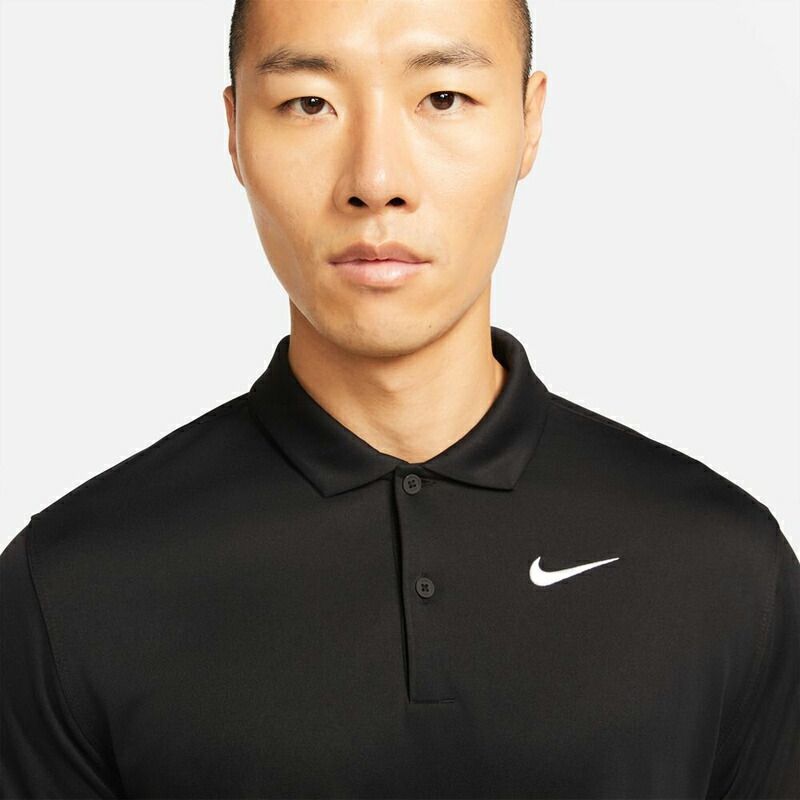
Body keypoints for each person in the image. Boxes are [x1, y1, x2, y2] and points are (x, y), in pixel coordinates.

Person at [2, 0, 798, 797]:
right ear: (236, 131)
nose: (376, 182)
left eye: (443, 98)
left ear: (529, 121)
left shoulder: (726, 567)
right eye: (309, 103)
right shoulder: (69, 589)